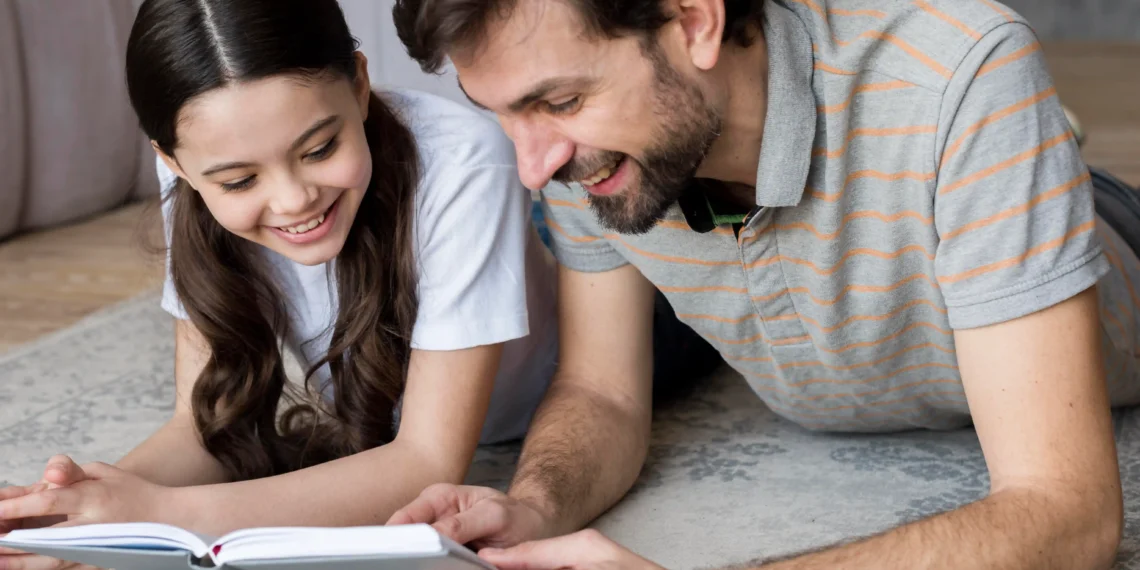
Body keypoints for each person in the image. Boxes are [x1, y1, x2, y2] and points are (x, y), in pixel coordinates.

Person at [387, 0, 1140, 568]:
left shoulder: (969, 71)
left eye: (561, 103)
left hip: (1104, 231)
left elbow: (1069, 513)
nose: (532, 167)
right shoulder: (583, 159)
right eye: (505, 114)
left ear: (694, 20)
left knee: (983, 133)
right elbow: (602, 391)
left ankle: (1027, 154)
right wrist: (531, 508)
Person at [0, 0, 568, 565]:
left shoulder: (467, 163)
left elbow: (425, 461)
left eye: (319, 149)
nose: (295, 200)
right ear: (174, 163)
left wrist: (162, 513)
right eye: (239, 182)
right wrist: (68, 515)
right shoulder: (196, 165)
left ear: (360, 85)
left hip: (544, 400)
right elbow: (204, 427)